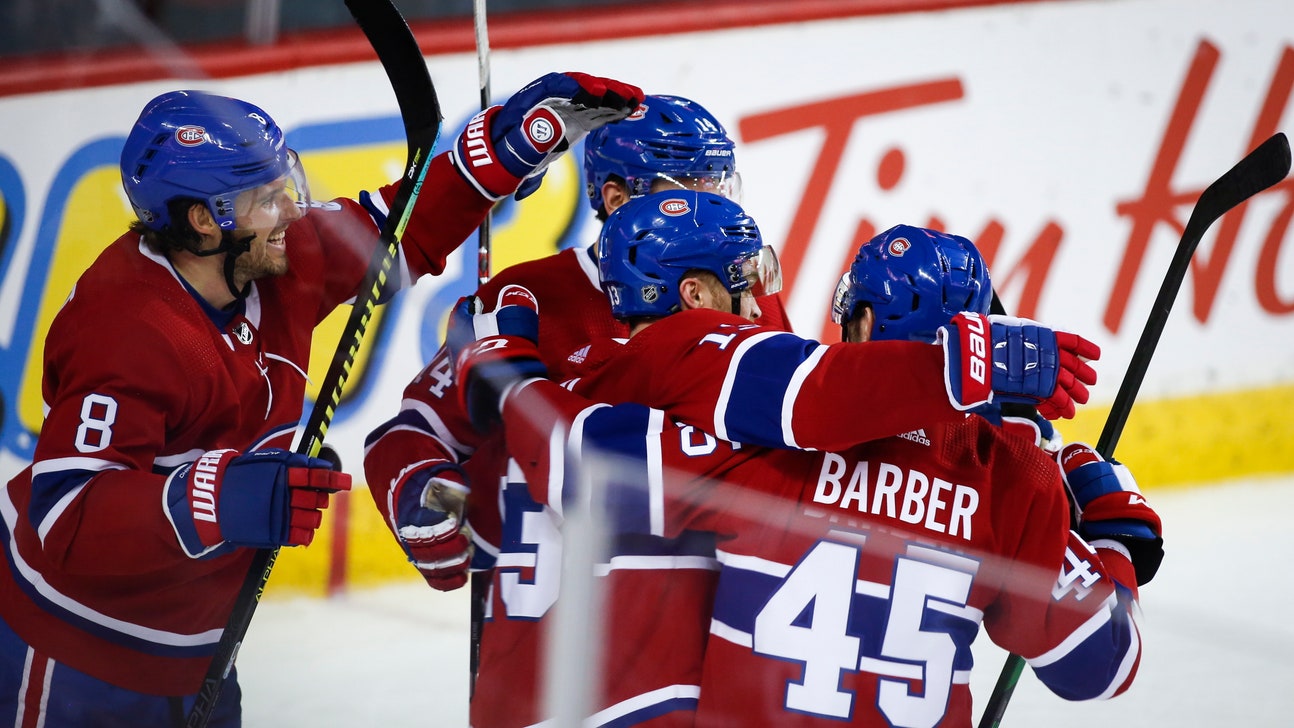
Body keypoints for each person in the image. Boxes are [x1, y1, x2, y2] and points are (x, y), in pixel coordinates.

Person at [0, 72, 644, 727]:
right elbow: (64, 515)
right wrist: (216, 500)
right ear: (203, 221)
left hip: (200, 657)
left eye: (286, 186)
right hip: (74, 656)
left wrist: (507, 149)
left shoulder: (271, 261)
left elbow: (395, 232)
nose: (289, 210)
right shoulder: (129, 330)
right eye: (264, 198)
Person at [460, 220, 1161, 726]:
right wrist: (1111, 530)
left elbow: (582, 466)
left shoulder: (767, 445)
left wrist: (509, 370)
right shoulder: (1014, 478)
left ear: (858, 327)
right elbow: (1100, 665)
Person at [361, 94, 790, 681]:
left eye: (718, 185)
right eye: (690, 189)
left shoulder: (744, 288)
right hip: (551, 639)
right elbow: (412, 432)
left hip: (702, 626)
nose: (712, 206)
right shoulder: (527, 299)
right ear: (617, 199)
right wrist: (422, 490)